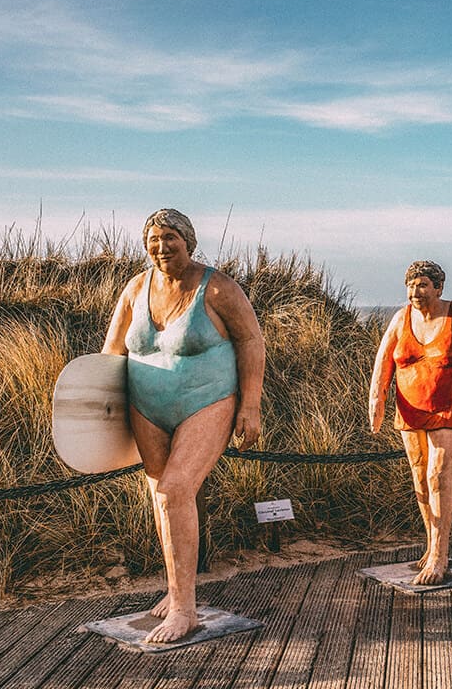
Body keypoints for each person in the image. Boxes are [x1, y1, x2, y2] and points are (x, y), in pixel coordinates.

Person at [101, 208, 265, 643]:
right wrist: (99, 409)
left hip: (206, 402)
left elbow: (251, 341)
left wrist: (251, 406)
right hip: (146, 407)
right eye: (154, 239)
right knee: (162, 497)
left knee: (175, 489)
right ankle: (177, 591)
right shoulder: (136, 287)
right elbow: (113, 351)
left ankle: (185, 610)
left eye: (170, 237)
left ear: (188, 241)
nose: (161, 247)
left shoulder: (218, 288)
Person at [368, 261, 452, 585]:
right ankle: (431, 546)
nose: (415, 291)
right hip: (411, 410)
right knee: (421, 480)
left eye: (423, 284)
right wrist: (377, 401)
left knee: (438, 475)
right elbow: (383, 361)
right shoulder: (401, 319)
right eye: (411, 285)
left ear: (439, 288)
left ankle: (440, 556)